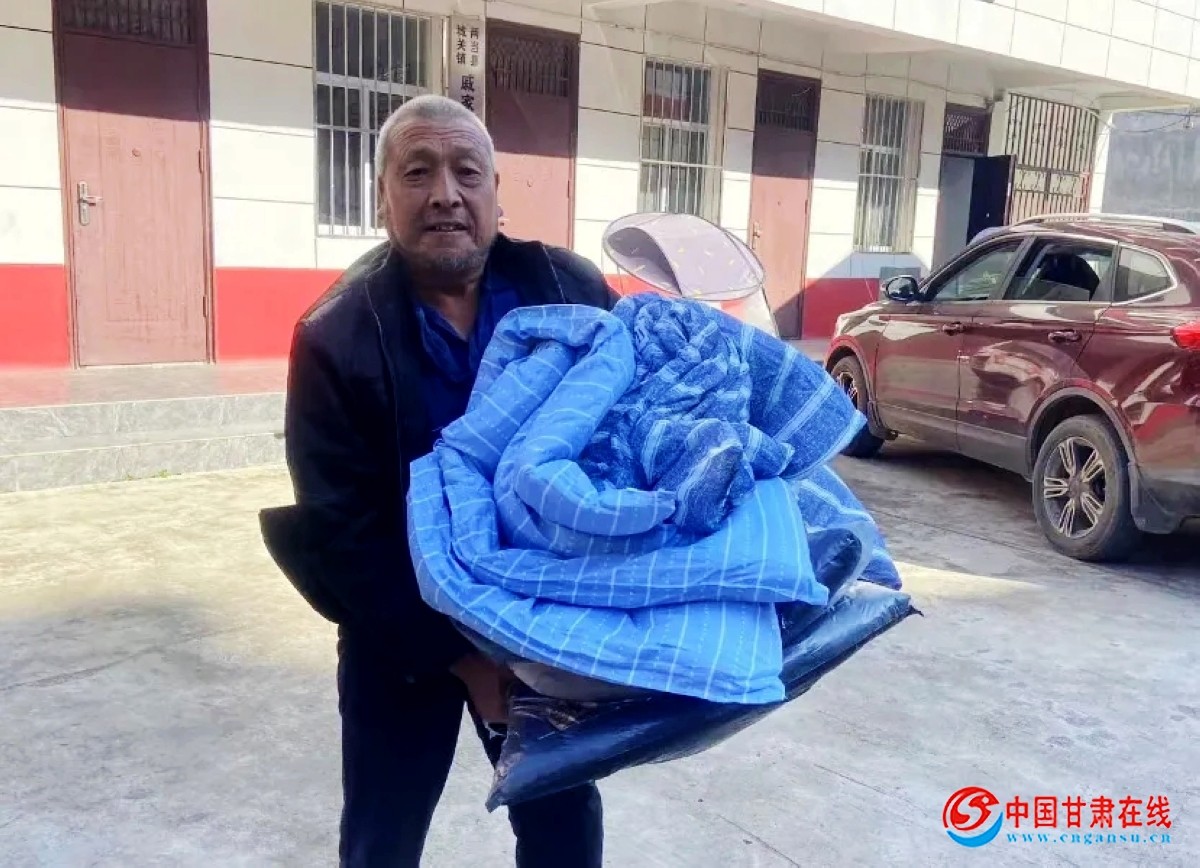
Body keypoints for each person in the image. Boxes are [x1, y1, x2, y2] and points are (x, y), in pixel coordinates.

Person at [263, 94, 615, 867]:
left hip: (538, 624)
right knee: (382, 840)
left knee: (564, 830)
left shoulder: (568, 290)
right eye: (417, 172)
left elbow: (626, 432)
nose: (446, 194)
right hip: (398, 627)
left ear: (496, 192)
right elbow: (342, 530)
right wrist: (464, 659)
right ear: (382, 196)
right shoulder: (335, 336)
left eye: (467, 172)